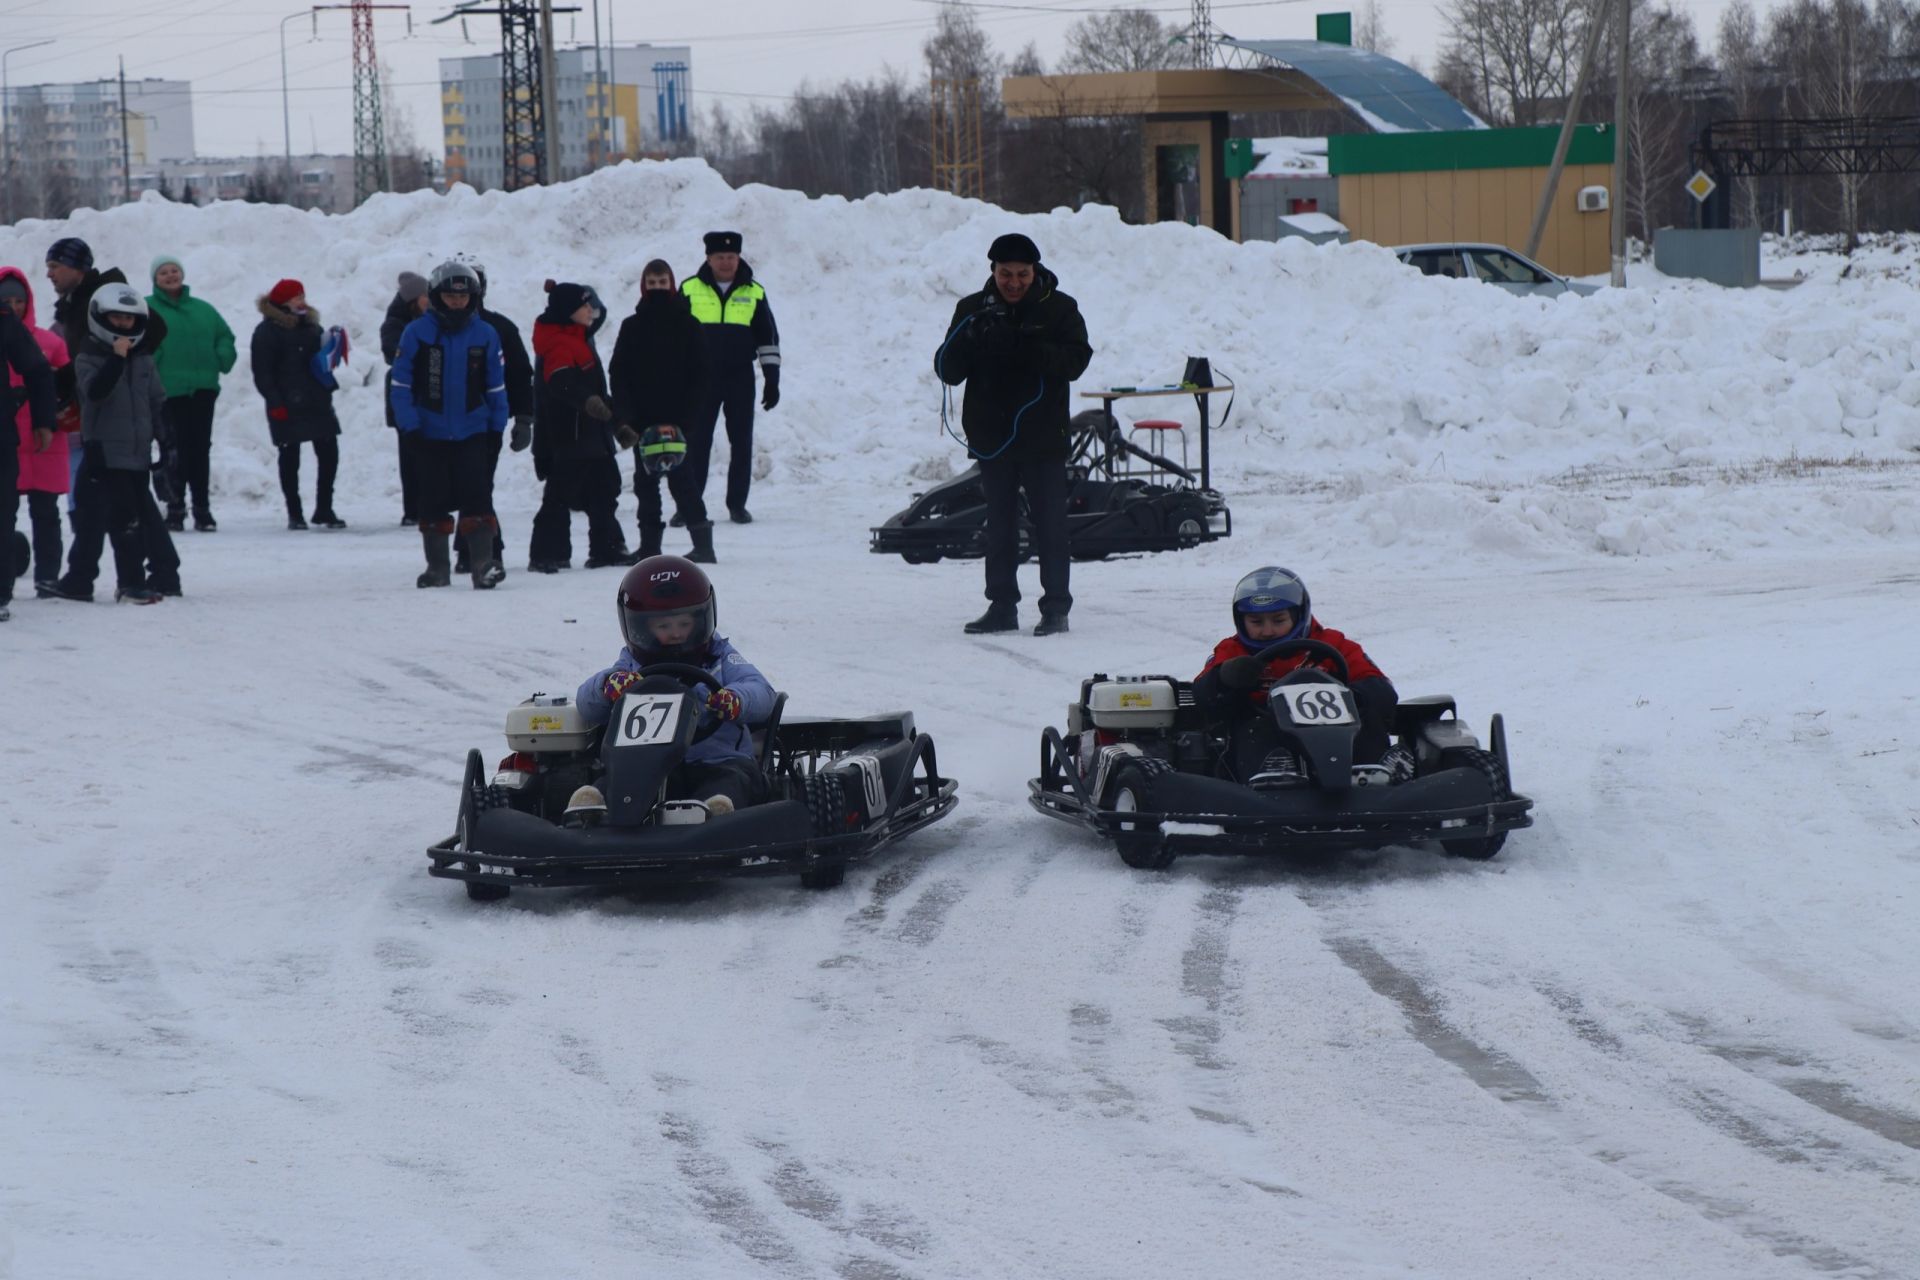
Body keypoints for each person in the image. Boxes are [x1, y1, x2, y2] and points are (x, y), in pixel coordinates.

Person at [932, 232, 1092, 637]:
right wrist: (970, 339)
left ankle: (1056, 608)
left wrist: (1025, 347)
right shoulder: (971, 310)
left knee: (1050, 526)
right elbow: (947, 371)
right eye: (1006, 274)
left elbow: (1076, 361)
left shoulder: (1059, 309)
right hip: (993, 437)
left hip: (1043, 437)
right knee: (999, 525)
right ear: (993, 271)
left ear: (1034, 271)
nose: (1015, 283)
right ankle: (1002, 605)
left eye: (1022, 274)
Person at [574, 555, 775, 815]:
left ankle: (715, 811)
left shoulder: (720, 655)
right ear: (641, 627)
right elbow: (586, 705)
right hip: (649, 764)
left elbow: (761, 690)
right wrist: (607, 685)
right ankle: (595, 805)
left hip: (719, 758)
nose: (677, 633)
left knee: (733, 780)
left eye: (684, 623)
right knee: (618, 777)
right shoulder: (631, 663)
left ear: (702, 619)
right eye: (664, 625)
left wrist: (734, 699)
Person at [1191, 567, 1412, 788]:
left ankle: (1377, 776)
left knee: (1367, 720)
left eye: (1278, 620)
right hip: (1266, 733)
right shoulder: (1233, 650)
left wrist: (1354, 696)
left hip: (1338, 737)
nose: (1267, 631)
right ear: (1241, 621)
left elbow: (1382, 692)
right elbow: (1202, 697)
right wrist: (1226, 677)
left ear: (1299, 615)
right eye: (1256, 622)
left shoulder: (1332, 644)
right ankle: (1274, 779)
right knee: (1254, 727)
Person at [49, 285, 175, 605]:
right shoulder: (88, 356)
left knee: (94, 518)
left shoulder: (144, 359)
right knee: (124, 520)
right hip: (104, 452)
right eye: (116, 318)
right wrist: (117, 359)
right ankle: (130, 583)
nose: (122, 325)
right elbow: (96, 392)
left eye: (128, 319)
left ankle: (78, 580)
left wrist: (165, 439)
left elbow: (156, 401)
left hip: (136, 454)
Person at [390, 259, 508, 589]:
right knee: (432, 499)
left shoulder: (486, 334)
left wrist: (497, 429)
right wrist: (410, 427)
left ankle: (482, 564)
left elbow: (496, 386)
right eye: (450, 296)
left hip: (473, 431)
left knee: (478, 498)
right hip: (428, 434)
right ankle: (437, 568)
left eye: (464, 296)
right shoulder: (416, 333)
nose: (457, 302)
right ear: (437, 295)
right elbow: (400, 386)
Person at [527, 279, 631, 573]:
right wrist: (589, 403)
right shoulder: (559, 342)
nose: (591, 310)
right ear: (569, 311)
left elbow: (596, 390)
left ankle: (607, 547)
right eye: (585, 306)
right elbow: (562, 384)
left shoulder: (579, 338)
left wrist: (616, 423)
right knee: (560, 495)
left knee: (605, 489)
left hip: (593, 434)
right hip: (568, 435)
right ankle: (547, 553)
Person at [610, 259, 707, 562]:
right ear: (644, 286)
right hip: (642, 423)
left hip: (679, 421)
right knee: (645, 487)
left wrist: (689, 420)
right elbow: (619, 374)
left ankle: (704, 545)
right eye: (652, 284)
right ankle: (650, 546)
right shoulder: (631, 326)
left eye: (662, 284)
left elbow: (701, 375)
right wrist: (626, 418)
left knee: (684, 484)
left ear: (672, 284)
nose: (657, 289)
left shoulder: (689, 325)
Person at [681, 230, 779, 529]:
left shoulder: (754, 291)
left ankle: (737, 505)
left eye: (731, 257)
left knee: (741, 442)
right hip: (700, 378)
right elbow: (674, 337)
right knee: (697, 443)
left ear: (738, 258)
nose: (726, 262)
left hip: (739, 377)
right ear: (708, 258)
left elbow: (768, 339)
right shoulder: (688, 289)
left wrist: (771, 379)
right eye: (720, 257)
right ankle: (689, 504)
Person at [147, 254, 237, 532]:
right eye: (164, 272)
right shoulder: (146, 308)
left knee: (199, 451)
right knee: (173, 451)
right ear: (155, 279)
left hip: (202, 390)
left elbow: (224, 336)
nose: (171, 276)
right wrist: (155, 360)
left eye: (174, 270)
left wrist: (221, 356)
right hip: (166, 392)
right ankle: (175, 509)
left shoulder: (203, 309)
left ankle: (202, 509)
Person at [457, 257, 534, 578]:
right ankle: (468, 550)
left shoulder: (499, 328)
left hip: (487, 423)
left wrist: (524, 419)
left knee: (478, 486)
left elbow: (519, 375)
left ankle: (485, 552)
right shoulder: (431, 328)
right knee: (462, 486)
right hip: (441, 423)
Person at [251, 278, 346, 530]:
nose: (302, 301)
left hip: (316, 400)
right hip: (285, 402)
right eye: (296, 297)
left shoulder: (312, 326)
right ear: (283, 302)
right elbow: (262, 372)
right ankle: (295, 513)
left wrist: (333, 346)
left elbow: (320, 360)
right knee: (289, 456)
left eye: (302, 296)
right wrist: (274, 401)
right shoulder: (267, 332)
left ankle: (324, 508)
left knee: (329, 453)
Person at [3, 268, 70, 601]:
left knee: (46, 512)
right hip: (9, 439)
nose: (14, 307)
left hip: (43, 440)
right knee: (6, 511)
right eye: (7, 301)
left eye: (20, 300)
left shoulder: (49, 341)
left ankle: (47, 577)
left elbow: (67, 385)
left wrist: (55, 414)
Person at [379, 271, 431, 525]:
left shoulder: (429, 320)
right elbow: (394, 355)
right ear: (413, 299)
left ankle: (427, 505)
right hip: (404, 395)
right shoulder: (394, 324)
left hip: (426, 394)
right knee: (410, 456)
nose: (429, 300)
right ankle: (412, 510)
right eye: (425, 296)